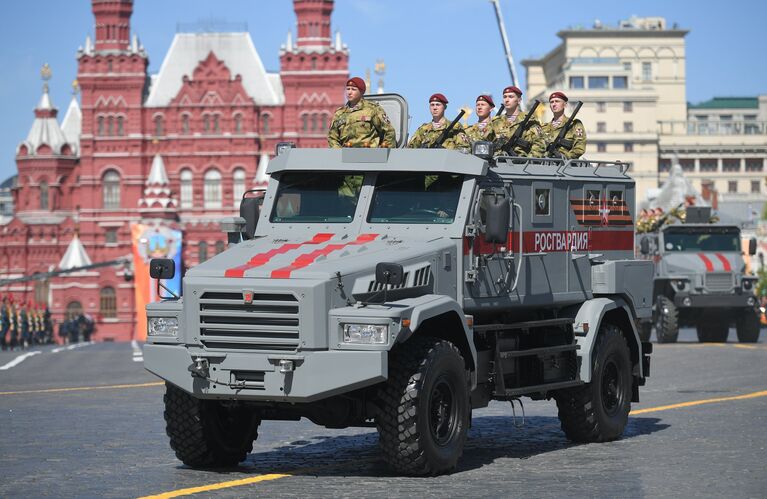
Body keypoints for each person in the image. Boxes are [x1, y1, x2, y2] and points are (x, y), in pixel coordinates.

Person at [328, 77, 397, 148]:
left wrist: (384, 153)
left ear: (361, 92)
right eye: (348, 89)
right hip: (345, 156)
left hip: (369, 156)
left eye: (353, 89)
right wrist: (338, 154)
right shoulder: (339, 113)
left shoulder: (372, 109)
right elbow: (332, 137)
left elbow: (389, 131)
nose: (349, 92)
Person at [492, 86, 546, 157]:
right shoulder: (496, 122)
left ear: (519, 100)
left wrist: (528, 161)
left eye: (511, 97)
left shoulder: (529, 121)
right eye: (505, 97)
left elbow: (539, 145)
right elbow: (486, 143)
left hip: (522, 164)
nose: (507, 100)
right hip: (498, 163)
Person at [541, 91, 586, 159]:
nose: (554, 104)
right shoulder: (544, 127)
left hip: (566, 165)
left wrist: (564, 157)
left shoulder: (574, 125)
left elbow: (579, 147)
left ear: (565, 104)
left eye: (557, 101)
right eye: (552, 102)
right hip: (546, 163)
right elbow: (538, 146)